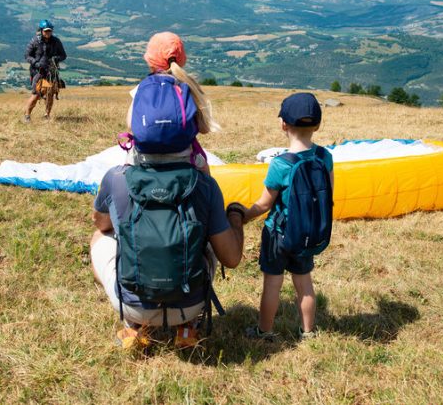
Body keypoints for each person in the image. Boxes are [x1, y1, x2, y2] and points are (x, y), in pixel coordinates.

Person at [90, 154, 245, 350]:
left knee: (100, 236)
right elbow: (231, 258)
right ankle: (188, 326)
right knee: (213, 235)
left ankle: (133, 324)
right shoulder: (204, 183)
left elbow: (101, 222)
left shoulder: (117, 177)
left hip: (134, 307)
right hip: (189, 306)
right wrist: (235, 216)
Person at [234, 92, 334, 341]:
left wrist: (243, 215)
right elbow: (329, 194)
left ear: (283, 124)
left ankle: (264, 331)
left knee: (272, 284)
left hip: (278, 235)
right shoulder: (325, 157)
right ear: (318, 125)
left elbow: (265, 203)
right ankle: (308, 332)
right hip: (308, 233)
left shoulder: (281, 164)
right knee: (304, 283)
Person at [124, 31, 219, 175]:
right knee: (207, 179)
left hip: (143, 158)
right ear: (182, 60)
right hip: (185, 159)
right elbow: (204, 128)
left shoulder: (142, 88)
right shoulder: (188, 87)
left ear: (150, 62)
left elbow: (131, 124)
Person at [23, 19, 66, 122]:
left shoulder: (56, 41)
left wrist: (57, 58)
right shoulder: (34, 41)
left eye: (50, 30)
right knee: (36, 94)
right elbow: (27, 56)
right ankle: (27, 115)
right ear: (41, 31)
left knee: (50, 93)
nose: (48, 33)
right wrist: (35, 63)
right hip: (38, 72)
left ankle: (47, 115)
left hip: (51, 72)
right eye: (46, 31)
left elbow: (63, 55)